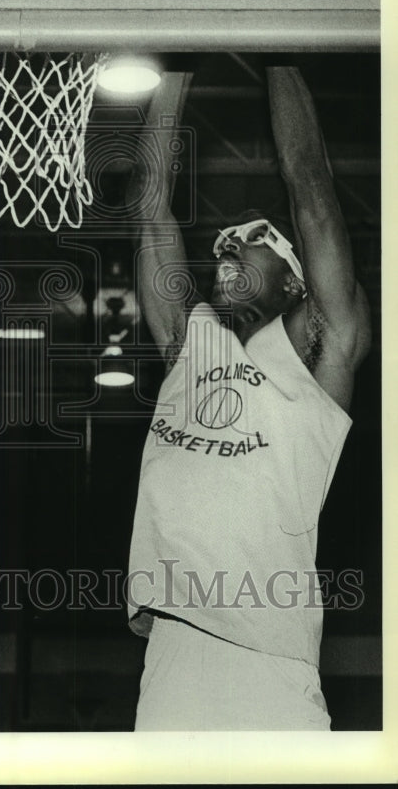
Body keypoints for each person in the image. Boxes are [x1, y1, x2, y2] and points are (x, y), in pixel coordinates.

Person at [125, 64, 370, 730]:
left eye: (256, 236)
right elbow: (150, 204)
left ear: (296, 283)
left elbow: (310, 187)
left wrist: (278, 49)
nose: (228, 242)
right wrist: (173, 63)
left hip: (269, 659)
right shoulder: (190, 344)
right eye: (224, 241)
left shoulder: (319, 349)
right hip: (173, 652)